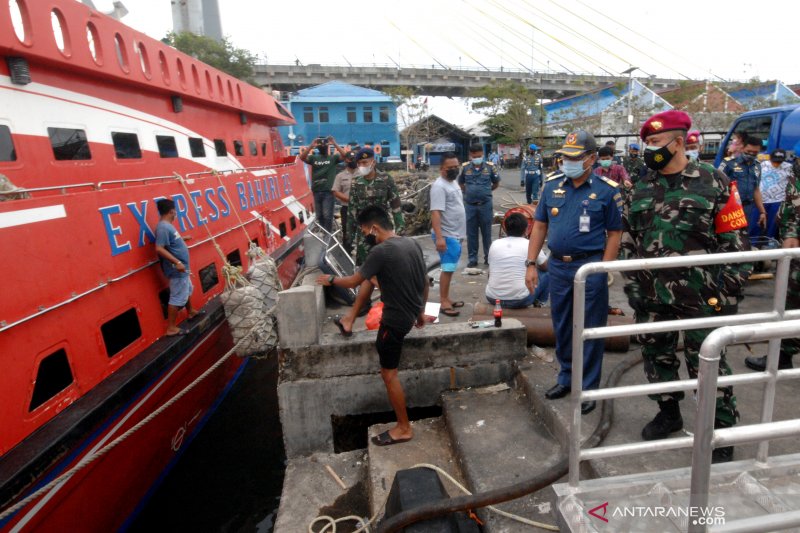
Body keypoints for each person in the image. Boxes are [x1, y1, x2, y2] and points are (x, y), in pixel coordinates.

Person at [621, 110, 751, 463]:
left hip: (702, 295)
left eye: (655, 142)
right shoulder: (641, 185)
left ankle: (719, 429)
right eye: (646, 143)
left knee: (708, 363)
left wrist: (730, 289)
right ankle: (668, 412)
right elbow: (629, 240)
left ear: (679, 142)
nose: (649, 149)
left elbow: (736, 240)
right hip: (650, 295)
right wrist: (632, 285)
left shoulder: (715, 181)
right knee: (656, 358)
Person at [524, 130, 624, 415]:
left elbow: (615, 233)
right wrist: (531, 264)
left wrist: (604, 268)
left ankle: (589, 386)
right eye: (564, 157)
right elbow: (539, 226)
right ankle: (566, 377)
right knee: (563, 323)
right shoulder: (552, 186)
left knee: (590, 328)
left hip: (589, 266)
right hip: (558, 266)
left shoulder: (607, 190)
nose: (566, 163)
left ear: (591, 158)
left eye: (574, 158)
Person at [317, 206, 428, 446]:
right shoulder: (411, 243)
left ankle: (403, 427)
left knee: (389, 374)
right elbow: (425, 283)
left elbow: (351, 282)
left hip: (394, 322)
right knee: (370, 276)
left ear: (374, 228)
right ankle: (348, 321)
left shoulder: (381, 250)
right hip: (409, 314)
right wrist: (420, 312)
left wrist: (331, 279)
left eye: (365, 230)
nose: (366, 235)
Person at [745, 173, 800, 371]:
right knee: (790, 303)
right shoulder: (795, 172)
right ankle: (783, 355)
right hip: (793, 252)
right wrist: (790, 232)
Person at [347, 148, 404, 265]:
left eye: (365, 162)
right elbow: (352, 211)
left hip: (383, 230)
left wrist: (400, 229)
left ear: (373, 162)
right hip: (364, 232)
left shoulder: (386, 179)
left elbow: (396, 206)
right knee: (365, 266)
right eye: (359, 163)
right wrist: (349, 237)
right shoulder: (356, 183)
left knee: (386, 263)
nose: (361, 166)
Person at [154, 199, 199, 336]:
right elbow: (159, 248)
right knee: (177, 297)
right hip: (177, 269)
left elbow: (170, 242)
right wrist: (177, 262)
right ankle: (171, 328)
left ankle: (190, 311)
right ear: (172, 211)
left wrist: (181, 239)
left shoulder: (167, 226)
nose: (176, 213)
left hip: (183, 269)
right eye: (175, 211)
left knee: (186, 289)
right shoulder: (163, 227)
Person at [430, 152, 467, 317]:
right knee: (448, 268)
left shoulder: (453, 182)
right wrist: (439, 237)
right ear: (441, 169)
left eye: (456, 167)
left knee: (450, 268)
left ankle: (447, 297)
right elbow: (436, 213)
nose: (454, 170)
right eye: (450, 168)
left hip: (455, 233)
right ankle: (443, 301)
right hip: (446, 234)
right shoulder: (439, 186)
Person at [459, 144, 500, 267]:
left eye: (480, 156)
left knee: (487, 232)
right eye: (475, 156)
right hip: (470, 206)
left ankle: (488, 257)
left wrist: (485, 192)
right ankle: (473, 259)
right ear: (471, 156)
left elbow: (496, 183)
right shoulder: (465, 168)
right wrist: (469, 192)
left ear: (483, 154)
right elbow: (461, 183)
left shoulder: (490, 167)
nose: (477, 158)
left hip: (485, 205)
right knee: (471, 234)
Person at [486, 213, 538, 308]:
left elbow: (490, 273)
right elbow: (545, 266)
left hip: (492, 297)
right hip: (520, 300)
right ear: (526, 229)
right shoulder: (530, 244)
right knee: (544, 271)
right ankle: (540, 302)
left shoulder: (495, 244)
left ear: (505, 229)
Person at [720, 136, 767, 239]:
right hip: (731, 208)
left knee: (744, 236)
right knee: (729, 237)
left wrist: (762, 212)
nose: (751, 155)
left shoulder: (757, 166)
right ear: (742, 148)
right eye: (748, 151)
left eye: (755, 153)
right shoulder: (728, 163)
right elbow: (718, 186)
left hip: (747, 208)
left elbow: (756, 189)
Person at [299, 135, 347, 232]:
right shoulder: (313, 158)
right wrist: (311, 146)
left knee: (327, 215)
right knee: (319, 215)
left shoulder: (333, 158)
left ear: (328, 147)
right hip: (316, 190)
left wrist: (334, 143)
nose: (323, 147)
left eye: (324, 146)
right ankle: (324, 231)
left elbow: (346, 156)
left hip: (328, 191)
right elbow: (302, 157)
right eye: (321, 146)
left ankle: (328, 234)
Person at [754, 149, 794, 243]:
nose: (776, 163)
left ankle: (770, 243)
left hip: (777, 201)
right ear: (770, 158)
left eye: (779, 161)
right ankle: (753, 243)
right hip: (761, 200)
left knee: (773, 224)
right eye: (775, 161)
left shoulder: (789, 167)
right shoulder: (762, 165)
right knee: (756, 223)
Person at [332, 151, 357, 251]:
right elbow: (335, 191)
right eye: (351, 159)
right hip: (347, 208)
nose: (354, 161)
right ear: (346, 160)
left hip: (362, 207)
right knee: (347, 234)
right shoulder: (340, 176)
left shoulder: (363, 174)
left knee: (365, 232)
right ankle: (348, 256)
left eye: (355, 158)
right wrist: (348, 199)